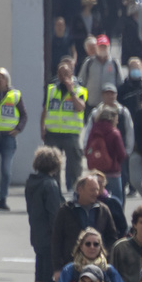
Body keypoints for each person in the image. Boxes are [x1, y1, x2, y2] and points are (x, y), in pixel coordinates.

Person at [26, 146, 65, 282]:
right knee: (48, 279)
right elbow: (55, 214)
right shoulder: (50, 185)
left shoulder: (32, 182)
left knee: (39, 278)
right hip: (50, 237)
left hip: (37, 235)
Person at [51, 174, 119, 272]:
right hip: (72, 265)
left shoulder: (103, 210)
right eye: (92, 190)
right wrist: (57, 268)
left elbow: (112, 237)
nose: (95, 193)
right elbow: (56, 240)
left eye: (97, 189)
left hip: (98, 266)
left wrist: (104, 253)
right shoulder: (66, 210)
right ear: (80, 190)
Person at [0, 68, 28, 209]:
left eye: (2, 78)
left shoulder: (15, 95)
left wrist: (18, 129)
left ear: (7, 80)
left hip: (8, 138)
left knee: (6, 170)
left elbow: (23, 115)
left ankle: (3, 199)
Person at [42, 59, 88, 188]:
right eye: (61, 74)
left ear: (72, 74)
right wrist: (42, 128)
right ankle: (54, 188)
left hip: (71, 133)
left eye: (66, 73)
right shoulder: (51, 89)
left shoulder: (80, 90)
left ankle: (72, 188)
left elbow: (80, 107)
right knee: (52, 165)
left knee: (74, 164)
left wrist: (71, 91)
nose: (63, 77)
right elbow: (45, 109)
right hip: (53, 133)